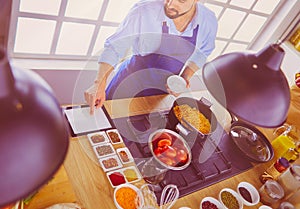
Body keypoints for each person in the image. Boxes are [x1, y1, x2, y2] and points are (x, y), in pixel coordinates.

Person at [84, 0, 218, 114]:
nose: (170, 4)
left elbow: (203, 52)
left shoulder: (208, 21)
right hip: (128, 84)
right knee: (108, 122)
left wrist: (185, 76)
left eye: (181, 0)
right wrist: (99, 84)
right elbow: (115, 47)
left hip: (161, 93)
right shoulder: (144, 10)